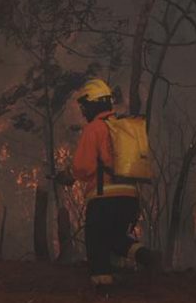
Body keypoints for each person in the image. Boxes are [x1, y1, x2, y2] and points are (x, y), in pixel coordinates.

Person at [68, 78, 161, 289]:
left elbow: (83, 166)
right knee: (115, 238)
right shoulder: (122, 128)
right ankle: (147, 257)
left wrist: (69, 175)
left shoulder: (95, 129)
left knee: (96, 242)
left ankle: (103, 288)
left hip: (103, 197)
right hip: (129, 198)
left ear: (93, 104)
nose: (83, 112)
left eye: (85, 106)